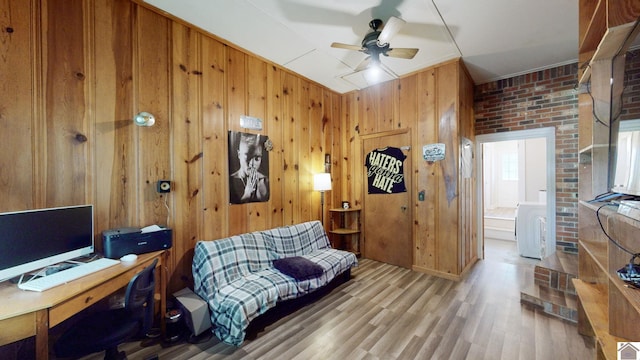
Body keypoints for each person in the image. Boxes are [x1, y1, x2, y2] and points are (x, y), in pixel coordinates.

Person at [229, 133, 269, 203]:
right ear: (239, 155)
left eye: (257, 158)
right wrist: (247, 193)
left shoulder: (265, 181)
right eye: (248, 157)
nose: (252, 164)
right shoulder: (230, 181)